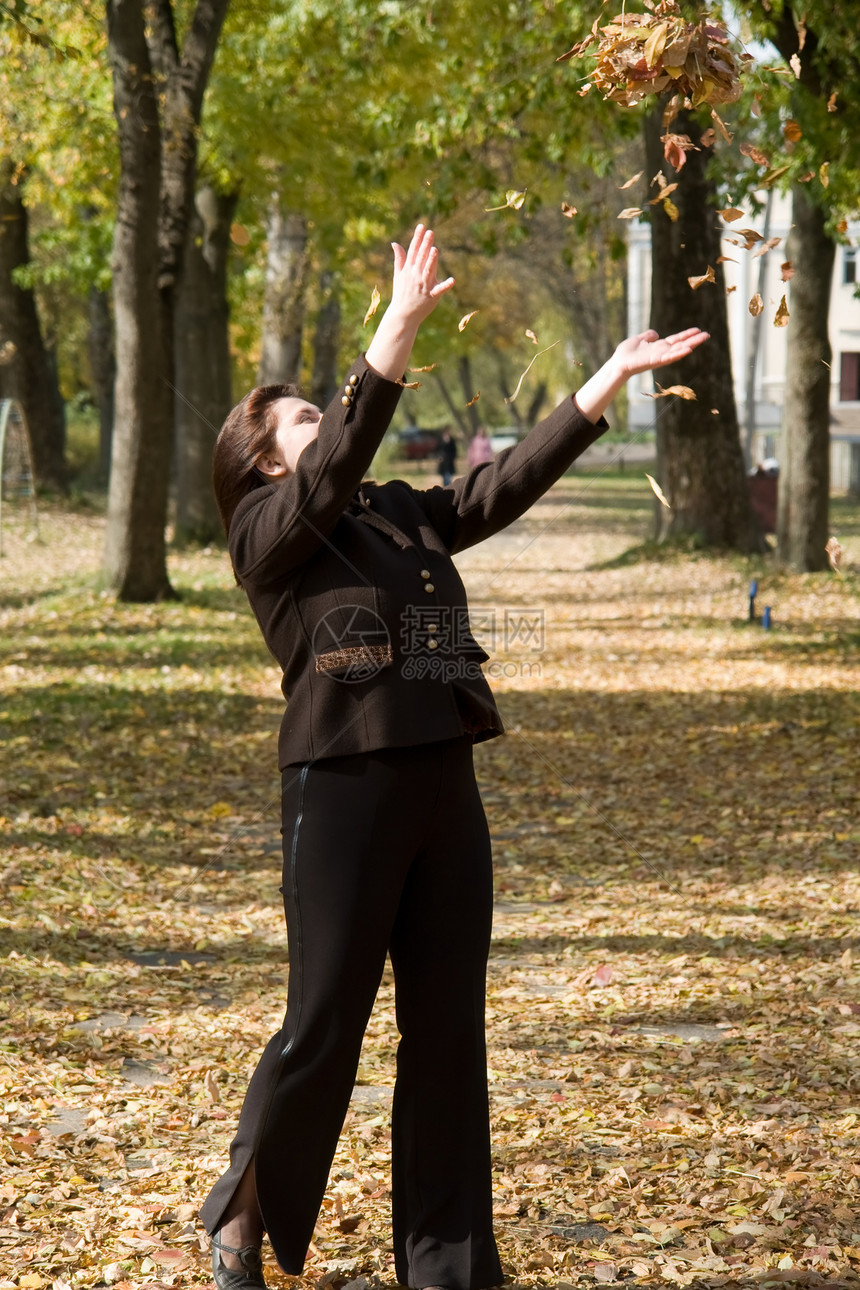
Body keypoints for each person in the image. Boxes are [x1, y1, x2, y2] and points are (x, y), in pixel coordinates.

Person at [201, 223, 708, 1290]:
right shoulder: (265, 536)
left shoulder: (389, 514)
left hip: (444, 777)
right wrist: (389, 335)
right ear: (264, 458)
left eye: (322, 409)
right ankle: (242, 1210)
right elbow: (339, 452)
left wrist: (602, 380)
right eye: (305, 418)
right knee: (324, 1020)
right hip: (339, 788)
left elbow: (495, 490)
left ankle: (448, 1266)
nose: (327, 424)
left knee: (446, 1035)